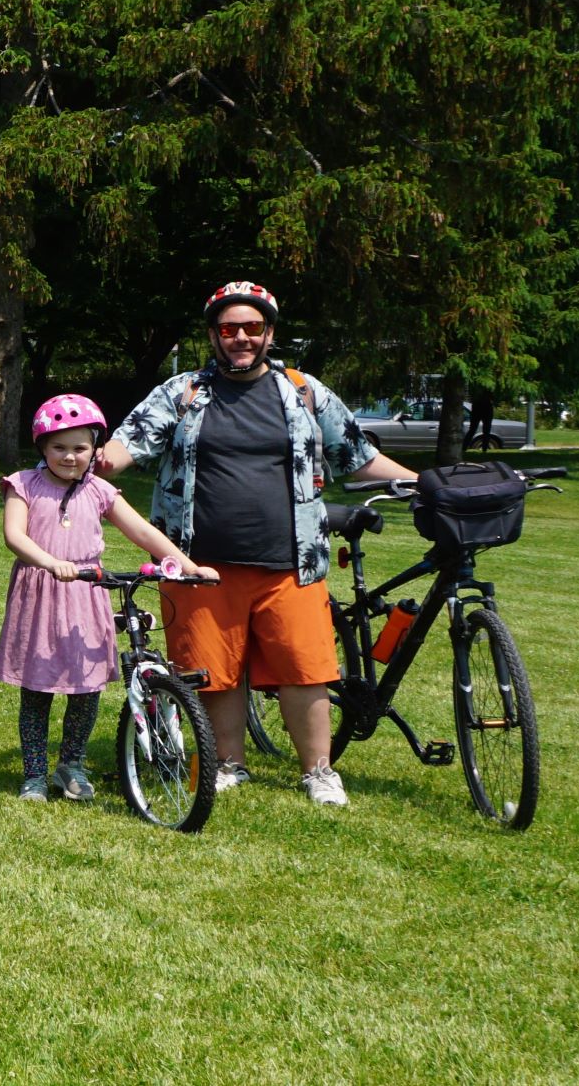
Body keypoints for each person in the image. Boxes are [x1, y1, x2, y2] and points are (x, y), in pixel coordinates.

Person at [101, 281, 415, 807]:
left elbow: (357, 456)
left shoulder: (304, 390)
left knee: (304, 667)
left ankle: (318, 771)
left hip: (292, 560)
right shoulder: (184, 392)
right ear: (213, 335)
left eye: (252, 328)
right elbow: (126, 444)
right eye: (230, 329)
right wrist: (83, 460)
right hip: (195, 560)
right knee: (211, 669)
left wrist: (420, 483)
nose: (241, 338)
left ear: (269, 333)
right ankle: (228, 763)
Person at [0, 394, 214, 802]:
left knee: (87, 687)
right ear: (42, 446)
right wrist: (50, 561)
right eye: (59, 447)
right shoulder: (22, 484)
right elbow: (14, 536)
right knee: (37, 690)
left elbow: (142, 532)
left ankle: (71, 764)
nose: (70, 457)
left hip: (87, 595)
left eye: (80, 448)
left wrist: (188, 565)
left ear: (95, 449)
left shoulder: (100, 491)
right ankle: (35, 774)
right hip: (41, 593)